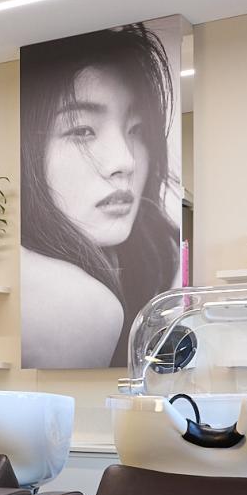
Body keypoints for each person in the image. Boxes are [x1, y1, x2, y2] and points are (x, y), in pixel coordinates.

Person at [20, 22, 181, 369]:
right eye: (82, 130)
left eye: (137, 129)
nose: (125, 162)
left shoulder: (141, 270)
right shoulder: (78, 304)